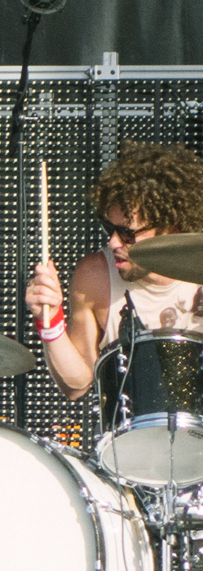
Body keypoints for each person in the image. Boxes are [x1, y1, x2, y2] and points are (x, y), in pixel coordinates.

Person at [25, 141, 203, 400]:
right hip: (129, 435)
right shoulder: (95, 276)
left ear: (171, 227)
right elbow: (76, 386)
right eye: (110, 229)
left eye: (128, 234)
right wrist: (49, 320)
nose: (113, 243)